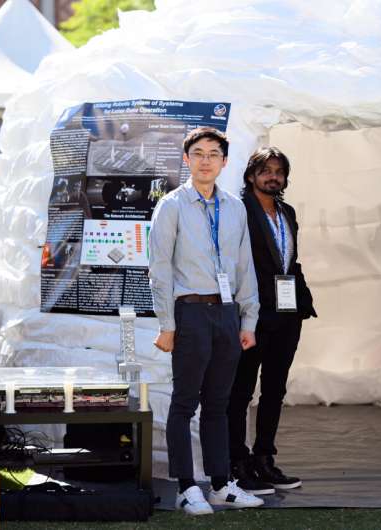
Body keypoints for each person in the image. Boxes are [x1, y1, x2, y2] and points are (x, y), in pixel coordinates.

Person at [148, 126, 263, 515]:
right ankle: (186, 487)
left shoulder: (234, 208)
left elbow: (244, 266)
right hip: (190, 311)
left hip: (227, 313)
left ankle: (220, 484)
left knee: (219, 403)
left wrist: (248, 321)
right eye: (198, 153)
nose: (205, 161)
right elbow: (159, 269)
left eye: (214, 154)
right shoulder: (171, 206)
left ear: (224, 162)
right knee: (184, 402)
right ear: (186, 159)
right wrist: (167, 324)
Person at [227, 147, 317, 494]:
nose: (273, 177)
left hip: (288, 313)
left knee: (275, 389)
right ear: (251, 175)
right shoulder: (238, 210)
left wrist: (301, 301)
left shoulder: (287, 212)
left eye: (279, 171)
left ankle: (264, 459)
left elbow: (289, 261)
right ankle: (237, 462)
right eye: (266, 170)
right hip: (252, 313)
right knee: (241, 391)